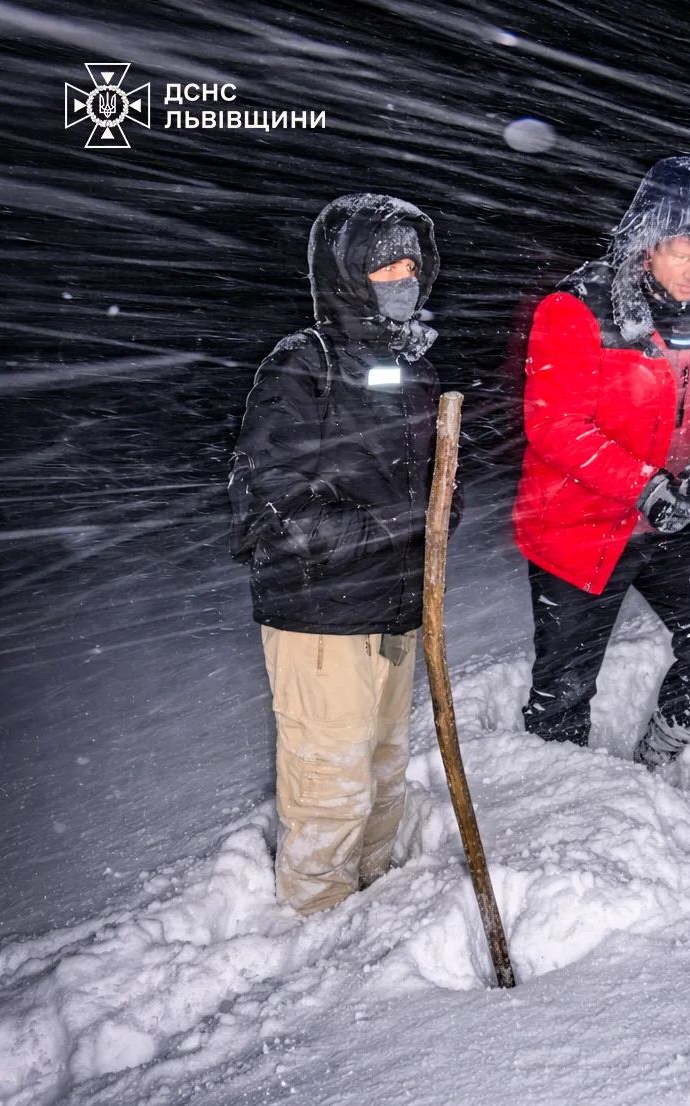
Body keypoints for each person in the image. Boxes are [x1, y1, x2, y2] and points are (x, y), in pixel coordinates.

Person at [512, 152, 690, 769]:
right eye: (681, 251)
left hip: (685, 520)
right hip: (578, 527)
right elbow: (554, 424)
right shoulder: (579, 309)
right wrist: (643, 486)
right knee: (563, 688)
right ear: (646, 247)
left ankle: (663, 758)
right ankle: (557, 796)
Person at [229, 193, 452, 914]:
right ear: (347, 275)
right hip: (320, 621)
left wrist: (444, 500)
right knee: (330, 784)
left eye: (411, 264)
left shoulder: (411, 365)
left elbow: (426, 490)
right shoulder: (304, 364)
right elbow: (272, 504)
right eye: (383, 265)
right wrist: (393, 526)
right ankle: (316, 921)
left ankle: (376, 900)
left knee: (385, 771)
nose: (402, 278)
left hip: (394, 613)